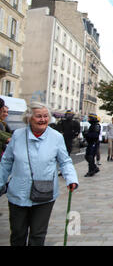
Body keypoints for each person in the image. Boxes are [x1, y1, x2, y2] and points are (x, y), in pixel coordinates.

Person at [0, 102, 78, 246]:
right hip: (18, 192)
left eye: (45, 116)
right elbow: (6, 162)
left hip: (45, 193)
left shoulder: (56, 137)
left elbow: (65, 161)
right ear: (29, 118)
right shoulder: (18, 135)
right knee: (17, 233)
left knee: (37, 234)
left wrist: (71, 179)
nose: (43, 119)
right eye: (38, 116)